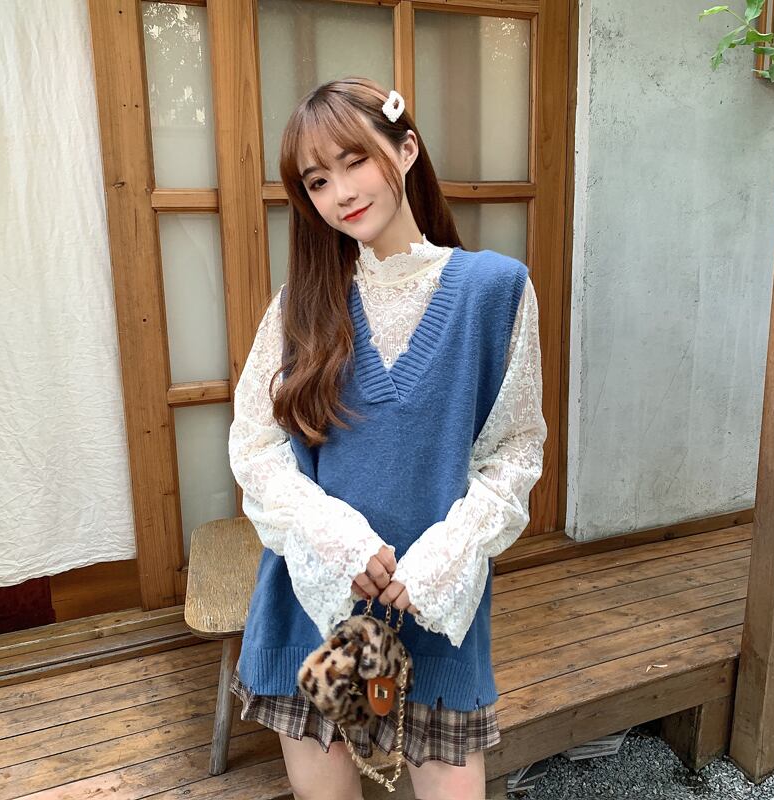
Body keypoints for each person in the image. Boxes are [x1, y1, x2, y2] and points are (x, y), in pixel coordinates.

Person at [227, 76, 547, 800]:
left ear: (405, 150)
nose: (341, 192)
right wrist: (334, 537)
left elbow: (514, 450)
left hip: (434, 612)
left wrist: (444, 557)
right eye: (317, 180)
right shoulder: (302, 306)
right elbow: (256, 446)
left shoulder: (495, 291)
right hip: (314, 611)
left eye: (355, 160)